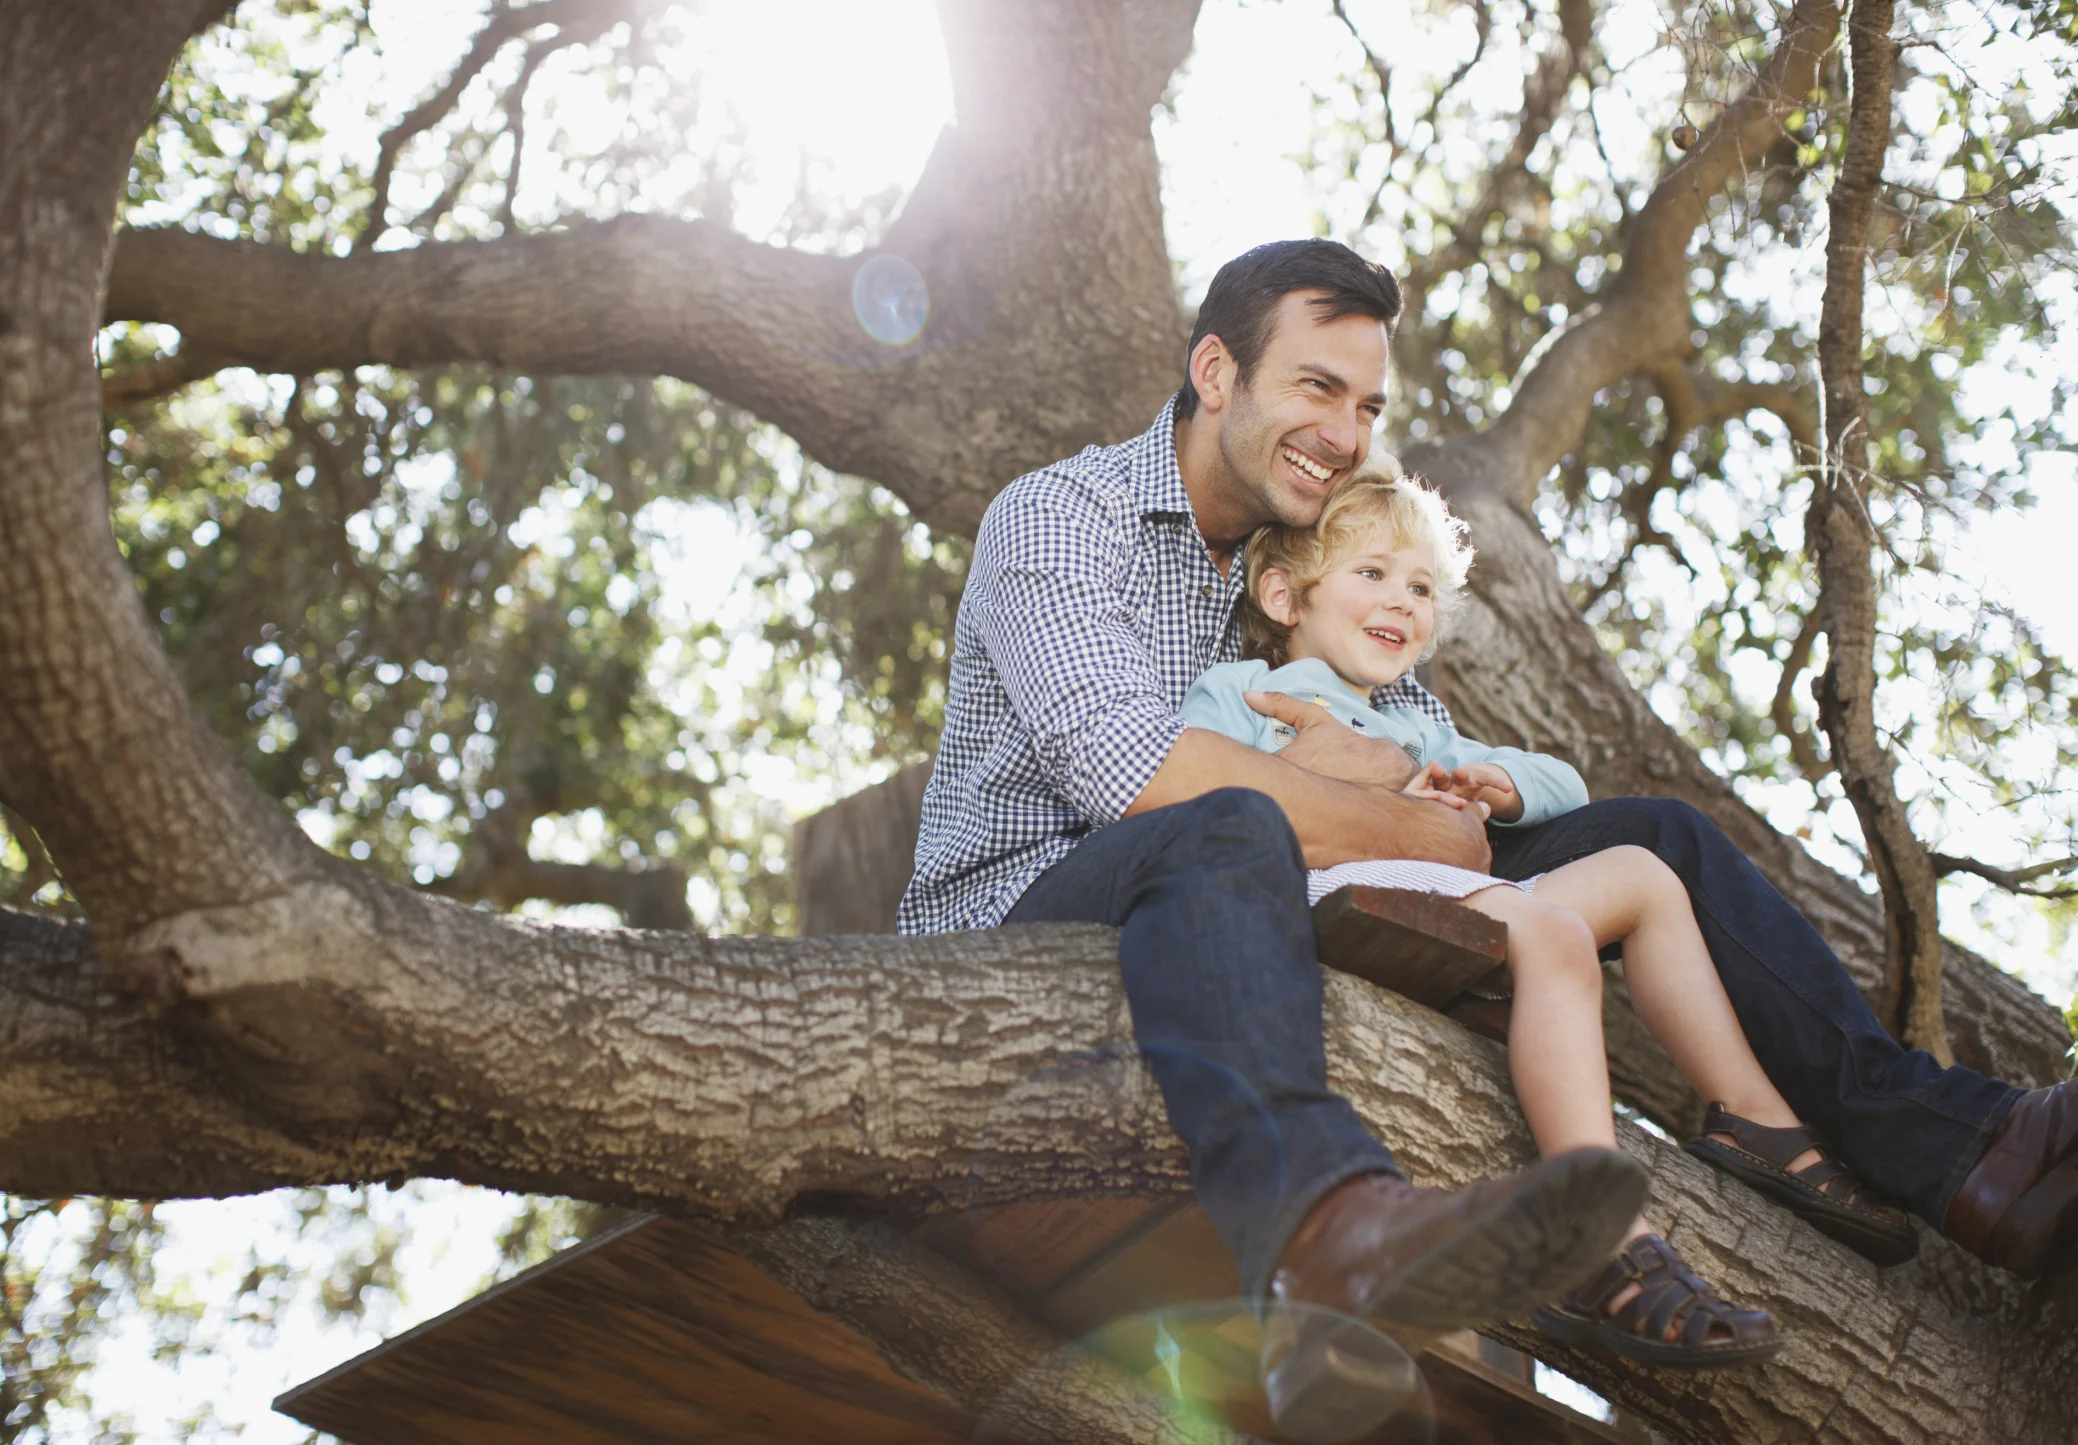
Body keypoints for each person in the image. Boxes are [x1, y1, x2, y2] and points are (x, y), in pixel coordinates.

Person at [898, 239, 2078, 1439]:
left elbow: (1376, 794)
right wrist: (1414, 823)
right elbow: (1134, 774)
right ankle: (1324, 1229)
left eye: (1366, 406)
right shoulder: (1064, 518)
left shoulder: (1267, 568)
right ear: (1215, 370)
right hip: (1027, 929)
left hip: (1249, 896)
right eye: (1315, 387)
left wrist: (1434, 808)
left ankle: (1952, 1146)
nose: (1345, 431)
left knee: (1651, 834)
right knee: (1229, 820)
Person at [1184, 466, 1920, 1369]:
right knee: (1554, 930)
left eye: (1420, 588)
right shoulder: (1244, 690)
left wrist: (1494, 786)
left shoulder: (1418, 723)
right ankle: (1604, 1240)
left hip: (1446, 903)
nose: (1401, 602)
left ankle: (1758, 1121)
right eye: (1370, 574)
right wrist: (1332, 780)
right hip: (1337, 906)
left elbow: (1565, 785)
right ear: (1282, 592)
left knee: (1643, 876)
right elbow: (1198, 799)